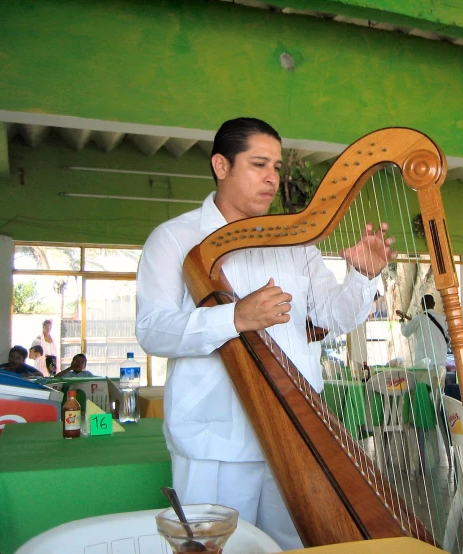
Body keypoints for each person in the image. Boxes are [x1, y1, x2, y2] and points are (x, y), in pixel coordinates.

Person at [135, 117, 394, 550]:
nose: (272, 178)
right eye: (259, 164)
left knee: (291, 547)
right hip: (212, 440)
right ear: (221, 166)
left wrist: (363, 277)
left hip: (296, 434)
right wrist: (234, 318)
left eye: (276, 166)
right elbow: (153, 331)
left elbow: (336, 315)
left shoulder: (295, 243)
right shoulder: (174, 238)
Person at [396, 294, 449, 386]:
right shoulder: (443, 319)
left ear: (422, 305)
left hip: (425, 365)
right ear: (434, 304)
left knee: (423, 390)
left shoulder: (418, 319)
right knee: (438, 392)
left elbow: (405, 332)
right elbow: (448, 338)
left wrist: (402, 322)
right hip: (441, 364)